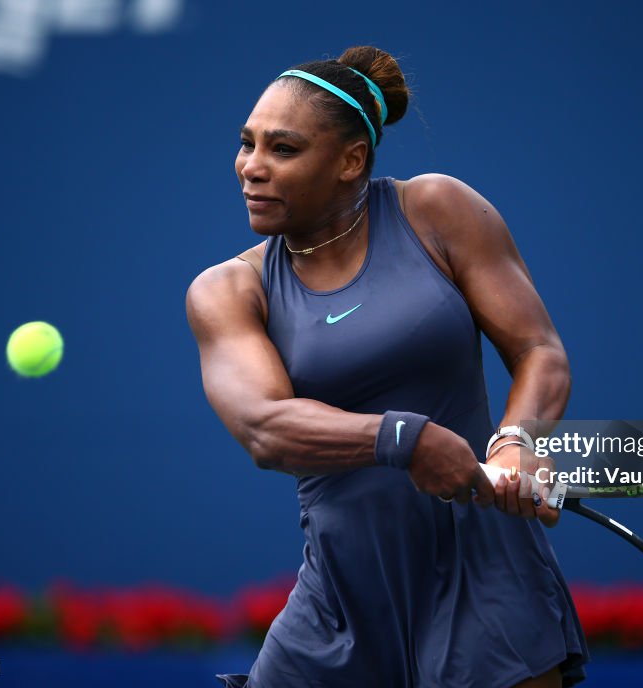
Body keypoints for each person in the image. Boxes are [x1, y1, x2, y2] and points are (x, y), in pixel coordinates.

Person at [186, 45, 589, 688]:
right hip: (340, 600)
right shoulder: (229, 290)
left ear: (351, 161)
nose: (251, 168)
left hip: (486, 580)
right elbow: (265, 428)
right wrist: (406, 438)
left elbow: (539, 351)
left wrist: (517, 441)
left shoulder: (437, 210)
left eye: (282, 149)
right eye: (247, 143)